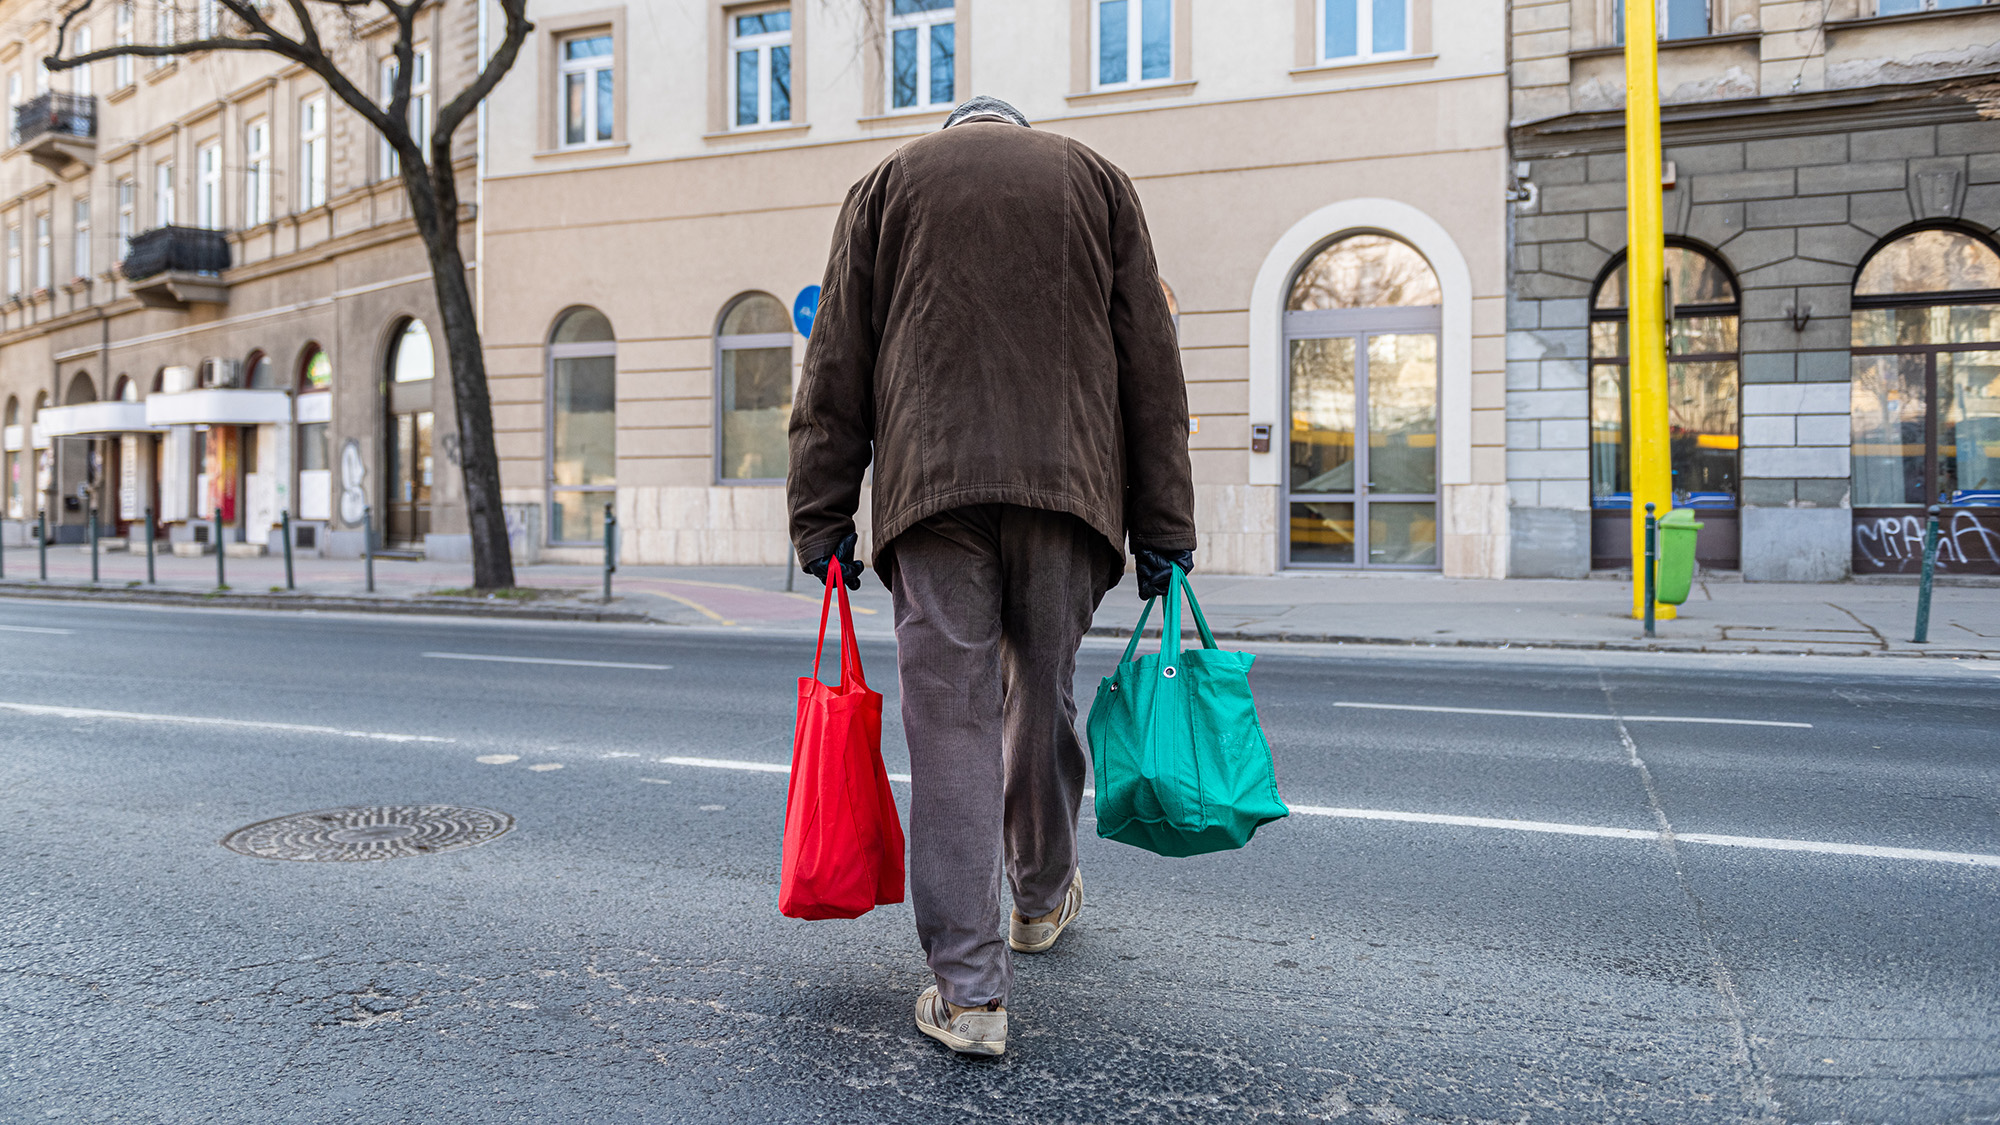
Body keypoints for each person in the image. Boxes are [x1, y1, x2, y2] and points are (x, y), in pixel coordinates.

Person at [787, 95, 1196, 1057]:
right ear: (1019, 135)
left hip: (934, 497)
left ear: (950, 140)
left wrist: (822, 517)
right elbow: (1153, 368)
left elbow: (834, 365)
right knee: (1041, 692)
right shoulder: (1098, 181)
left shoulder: (885, 186)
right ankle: (1040, 898)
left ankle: (970, 994)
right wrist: (1164, 528)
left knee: (952, 725)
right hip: (1070, 496)